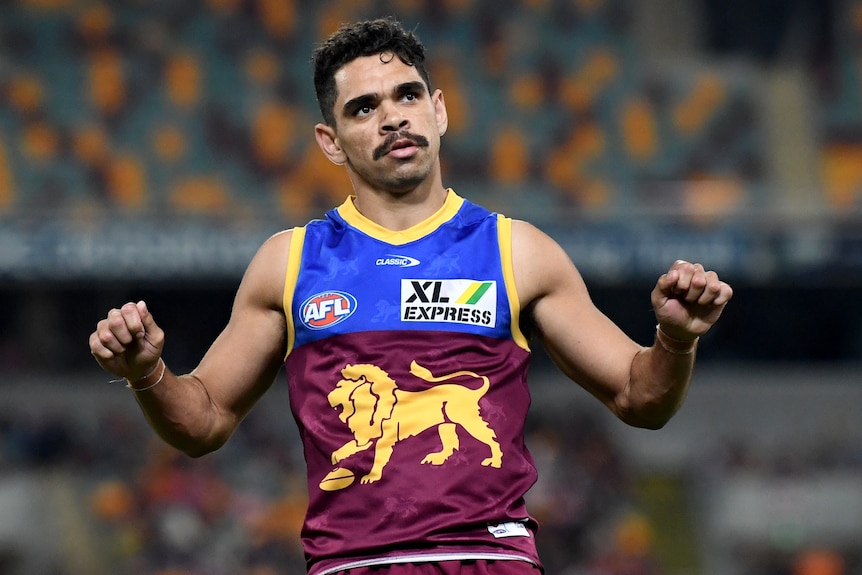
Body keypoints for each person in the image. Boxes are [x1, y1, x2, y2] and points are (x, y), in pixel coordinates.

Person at [89, 17, 733, 575]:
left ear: (440, 110)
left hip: (491, 560)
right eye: (363, 108)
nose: (393, 115)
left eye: (407, 94)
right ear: (330, 141)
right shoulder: (289, 263)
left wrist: (675, 338)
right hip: (353, 564)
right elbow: (202, 423)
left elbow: (640, 398)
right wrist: (148, 373)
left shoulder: (517, 252)